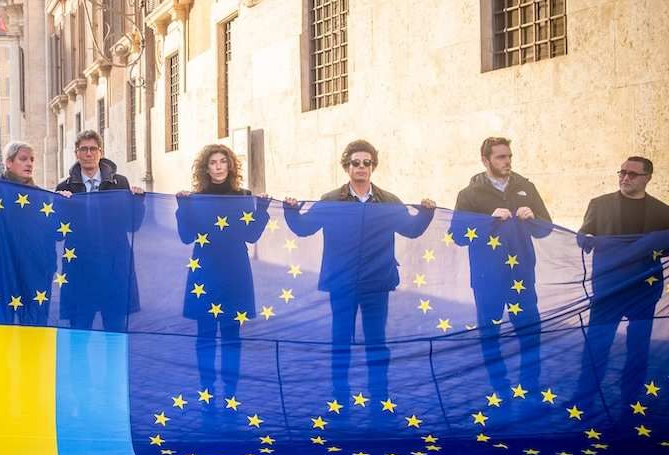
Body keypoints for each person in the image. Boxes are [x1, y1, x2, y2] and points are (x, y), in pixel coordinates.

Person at [284, 140, 435, 403]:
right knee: (340, 340)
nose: (362, 167)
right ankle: (339, 395)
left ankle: (380, 394)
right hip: (341, 283)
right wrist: (290, 210)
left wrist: (426, 213)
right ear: (347, 166)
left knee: (377, 342)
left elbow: (411, 229)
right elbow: (304, 227)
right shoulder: (331, 201)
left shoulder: (388, 201)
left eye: (367, 162)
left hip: (377, 282)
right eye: (356, 162)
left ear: (373, 166)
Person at [451, 137, 552, 396]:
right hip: (488, 277)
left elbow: (546, 229)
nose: (507, 162)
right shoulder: (469, 194)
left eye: (509, 156)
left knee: (530, 330)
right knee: (490, 333)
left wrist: (535, 218)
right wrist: (488, 221)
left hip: (521, 274)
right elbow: (458, 235)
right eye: (500, 157)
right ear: (485, 160)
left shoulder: (525, 187)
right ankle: (500, 387)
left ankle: (530, 385)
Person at [176, 144, 270, 399]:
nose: (218, 167)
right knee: (205, 334)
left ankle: (231, 391)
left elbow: (250, 235)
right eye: (213, 162)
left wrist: (261, 210)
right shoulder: (195, 200)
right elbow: (186, 237)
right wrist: (182, 208)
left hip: (234, 272)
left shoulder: (243, 196)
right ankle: (206, 389)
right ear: (206, 168)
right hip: (204, 272)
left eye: (222, 162)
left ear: (230, 166)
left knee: (232, 335)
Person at [574, 156, 669, 403]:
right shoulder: (599, 204)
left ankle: (632, 401)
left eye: (632, 174)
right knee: (596, 345)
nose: (625, 177)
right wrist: (584, 238)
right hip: (608, 288)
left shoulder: (663, 212)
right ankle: (583, 399)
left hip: (643, 290)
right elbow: (584, 232)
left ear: (647, 178)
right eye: (622, 172)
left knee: (638, 349)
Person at [54, 130, 145, 330]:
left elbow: (133, 225)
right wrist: (59, 205)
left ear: (100, 152)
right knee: (80, 332)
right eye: (83, 149)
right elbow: (57, 233)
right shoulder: (64, 187)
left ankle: (113, 363)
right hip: (80, 269)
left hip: (113, 268)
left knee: (115, 332)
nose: (88, 153)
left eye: (93, 149)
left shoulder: (120, 183)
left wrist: (138, 202)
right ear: (76, 153)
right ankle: (79, 364)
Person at [0, 141, 60, 325]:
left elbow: (57, 233)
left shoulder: (42, 197)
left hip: (34, 275)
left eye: (32, 159)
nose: (29, 163)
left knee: (36, 331)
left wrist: (64, 205)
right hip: (2, 272)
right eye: (23, 159)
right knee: (0, 331)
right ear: (9, 162)